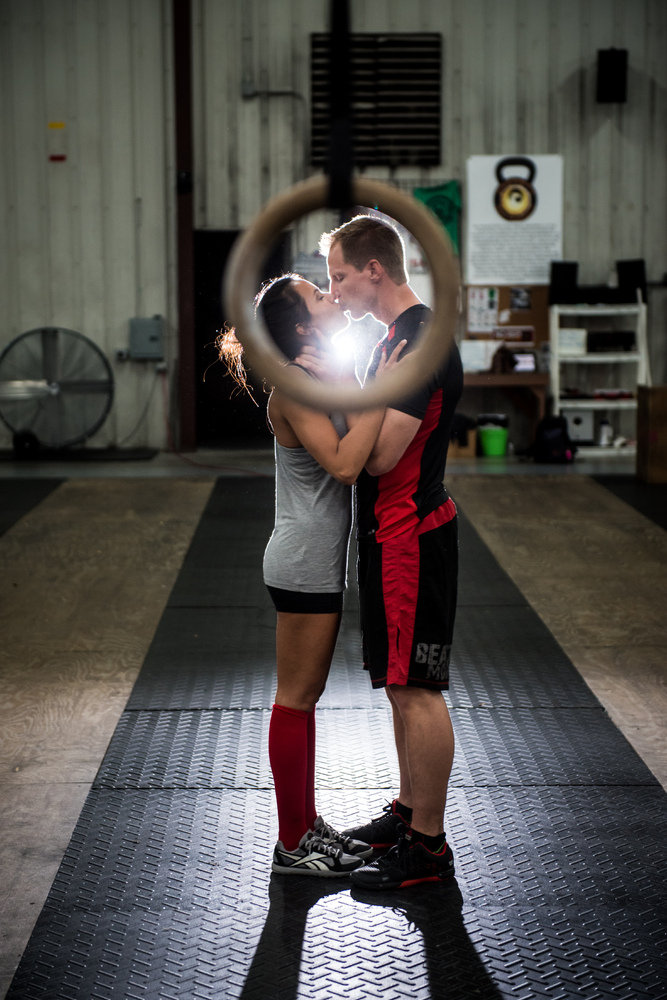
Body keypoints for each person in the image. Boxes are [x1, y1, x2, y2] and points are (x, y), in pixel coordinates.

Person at [218, 273, 405, 877]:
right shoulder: (295, 389)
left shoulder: (312, 381)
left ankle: (304, 826)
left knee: (306, 700)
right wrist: (383, 389)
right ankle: (291, 843)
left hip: (313, 562)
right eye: (319, 297)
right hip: (302, 564)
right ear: (302, 326)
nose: (330, 298)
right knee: (296, 700)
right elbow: (350, 465)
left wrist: (354, 386)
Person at [318, 215, 463, 890]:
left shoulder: (417, 344)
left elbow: (378, 455)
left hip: (410, 534)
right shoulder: (391, 343)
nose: (335, 288)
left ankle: (427, 849)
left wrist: (339, 400)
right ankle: (410, 814)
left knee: (417, 691)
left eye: (339, 275)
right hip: (389, 534)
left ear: (374, 270)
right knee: (399, 688)